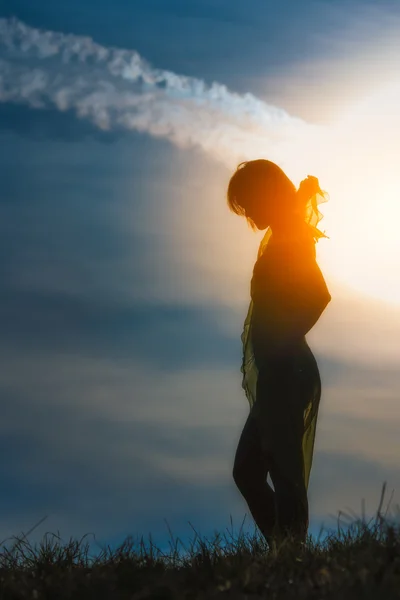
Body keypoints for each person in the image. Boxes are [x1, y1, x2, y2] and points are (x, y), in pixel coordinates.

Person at [227, 159, 331, 548]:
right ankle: (286, 550)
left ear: (264, 194)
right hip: (278, 370)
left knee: (282, 469)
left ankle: (291, 555)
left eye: (248, 203)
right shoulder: (283, 234)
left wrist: (284, 339)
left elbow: (318, 295)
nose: (249, 215)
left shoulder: (291, 235)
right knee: (249, 470)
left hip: (287, 370)